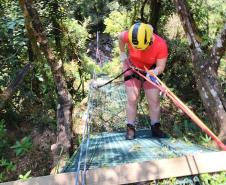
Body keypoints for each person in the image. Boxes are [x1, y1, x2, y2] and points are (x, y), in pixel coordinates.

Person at [118, 22, 168, 140]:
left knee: (154, 100)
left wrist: (154, 72)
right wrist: (122, 54)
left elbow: (161, 66)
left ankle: (155, 127)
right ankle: (130, 128)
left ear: (150, 39)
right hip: (131, 67)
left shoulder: (160, 44)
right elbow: (120, 37)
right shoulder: (131, 35)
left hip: (150, 70)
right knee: (132, 98)